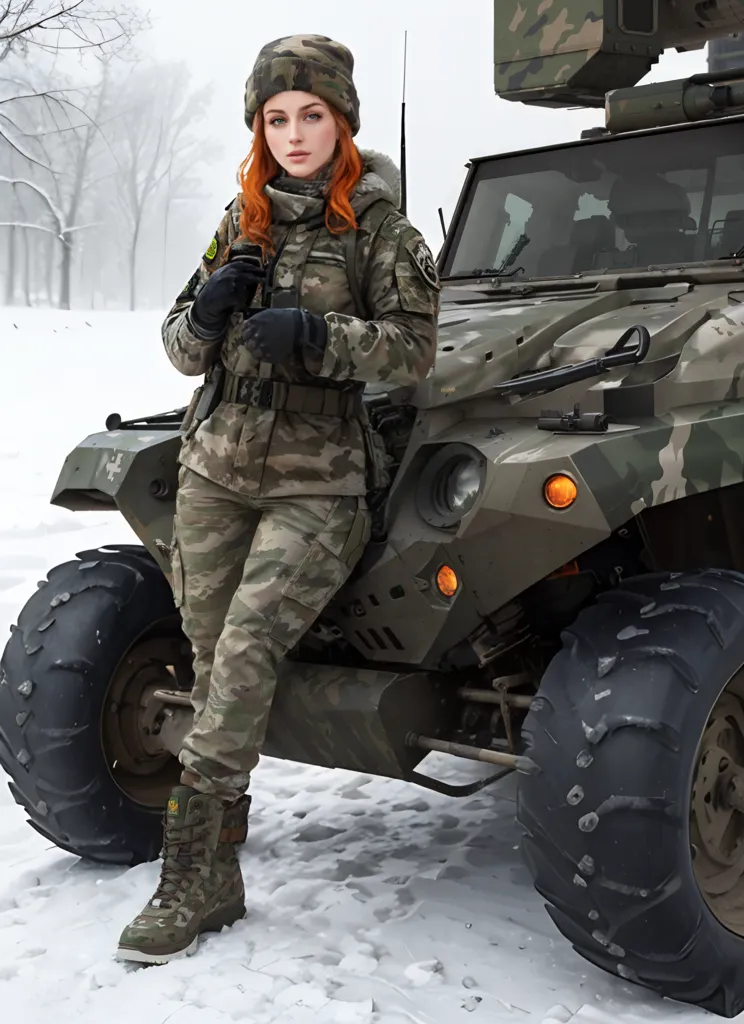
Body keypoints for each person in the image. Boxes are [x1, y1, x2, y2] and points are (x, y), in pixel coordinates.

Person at [116, 34, 440, 964]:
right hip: (217, 467)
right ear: (260, 128)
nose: (294, 132)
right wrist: (207, 311)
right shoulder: (242, 218)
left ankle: (193, 877)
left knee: (251, 646)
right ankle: (221, 847)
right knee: (215, 657)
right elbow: (179, 346)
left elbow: (415, 349)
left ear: (341, 121)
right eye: (276, 117)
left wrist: (321, 336)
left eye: (312, 115)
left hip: (319, 482)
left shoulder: (379, 227)